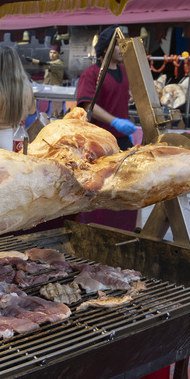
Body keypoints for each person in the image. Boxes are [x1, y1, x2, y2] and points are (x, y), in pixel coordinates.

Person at [75, 24, 138, 231]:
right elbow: (87, 104)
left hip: (123, 140)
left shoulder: (124, 72)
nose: (123, 48)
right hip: (99, 142)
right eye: (119, 44)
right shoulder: (91, 73)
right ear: (106, 49)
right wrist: (113, 121)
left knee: (127, 187)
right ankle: (95, 228)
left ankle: (125, 228)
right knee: (100, 189)